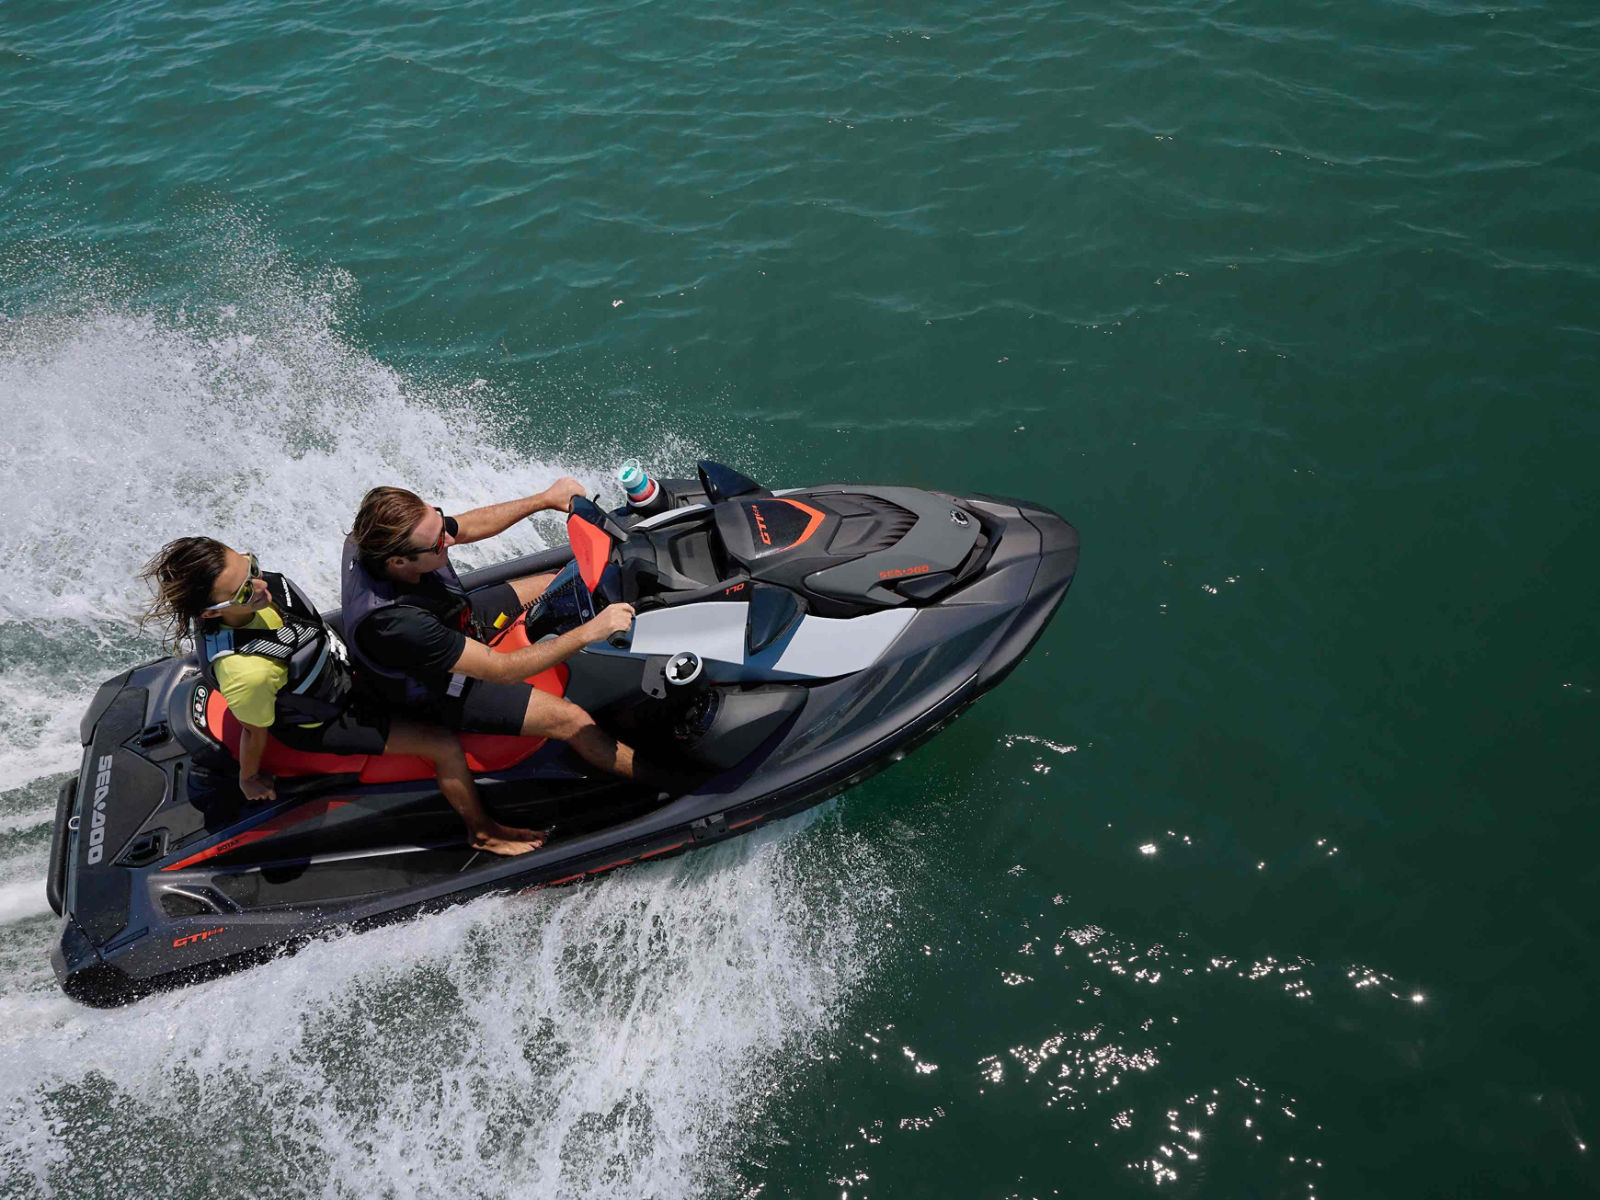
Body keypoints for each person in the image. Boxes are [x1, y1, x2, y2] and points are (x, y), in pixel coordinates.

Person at [140, 538, 547, 855]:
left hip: (344, 669)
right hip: (328, 718)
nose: (261, 587)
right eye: (244, 593)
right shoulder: (246, 670)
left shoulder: (268, 588)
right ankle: (483, 833)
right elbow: (254, 731)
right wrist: (250, 778)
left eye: (252, 569)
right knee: (441, 745)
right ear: (213, 613)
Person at [341, 481, 653, 782]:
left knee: (558, 583)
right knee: (572, 720)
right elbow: (501, 670)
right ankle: (676, 784)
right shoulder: (396, 623)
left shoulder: (382, 535)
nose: (448, 539)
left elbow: (464, 526)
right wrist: (589, 632)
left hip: (455, 619)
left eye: (438, 518)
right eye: (438, 542)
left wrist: (544, 499)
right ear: (398, 562)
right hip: (441, 686)